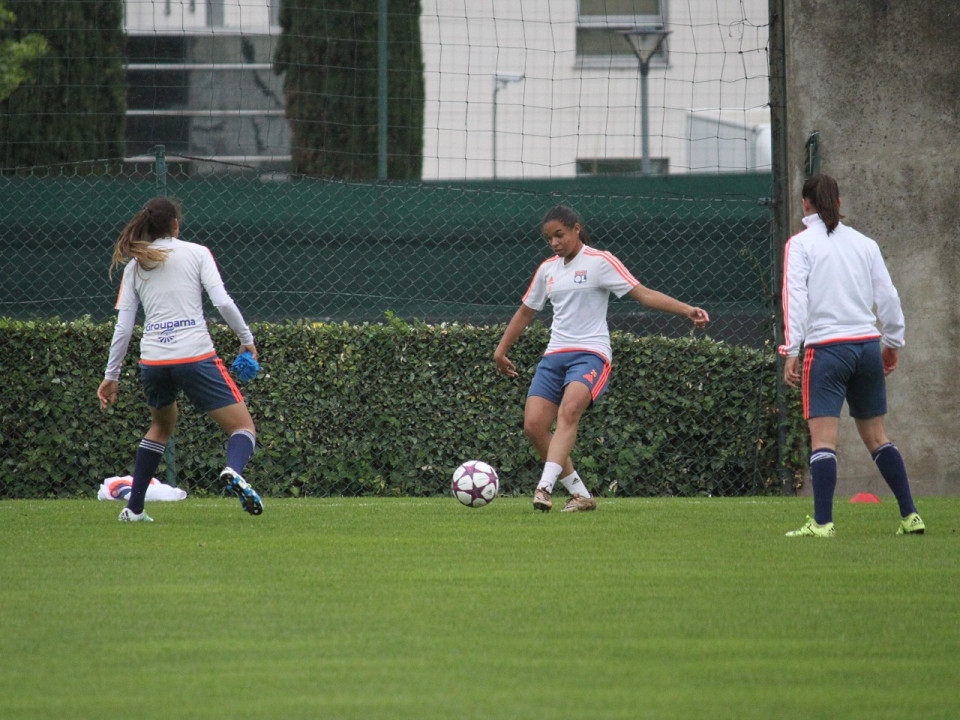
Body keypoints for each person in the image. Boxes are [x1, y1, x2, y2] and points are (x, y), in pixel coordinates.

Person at [494, 204, 710, 512]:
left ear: (576, 229)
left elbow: (644, 295)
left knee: (569, 411)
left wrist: (687, 310)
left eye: (560, 235)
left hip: (591, 354)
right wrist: (500, 351)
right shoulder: (547, 270)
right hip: (555, 355)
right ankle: (581, 495)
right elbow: (526, 311)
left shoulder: (600, 261)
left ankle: (544, 487)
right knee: (533, 425)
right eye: (549, 238)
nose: (555, 243)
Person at [97, 196, 263, 522]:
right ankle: (233, 471)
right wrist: (247, 339)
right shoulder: (197, 252)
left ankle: (134, 508)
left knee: (160, 427)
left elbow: (124, 327)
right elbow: (223, 302)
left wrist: (111, 374)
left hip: (154, 363)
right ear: (175, 224)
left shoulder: (135, 266)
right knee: (243, 427)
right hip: (195, 356)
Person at [779, 174, 923, 537]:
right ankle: (910, 516)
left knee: (823, 440)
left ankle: (823, 524)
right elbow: (888, 298)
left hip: (826, 350)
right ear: (839, 203)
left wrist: (791, 349)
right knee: (878, 437)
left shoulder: (800, 244)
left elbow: (795, 297)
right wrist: (892, 344)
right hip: (866, 348)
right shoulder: (865, 243)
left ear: (805, 204)